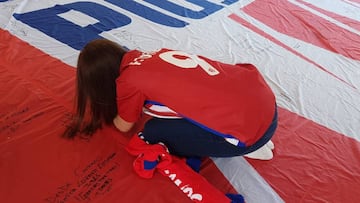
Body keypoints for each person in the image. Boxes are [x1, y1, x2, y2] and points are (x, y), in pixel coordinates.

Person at [64, 38, 278, 160]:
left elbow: (123, 125)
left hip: (249, 134)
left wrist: (110, 112)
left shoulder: (128, 81)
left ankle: (246, 145)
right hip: (265, 102)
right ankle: (252, 134)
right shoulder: (156, 53)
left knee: (152, 131)